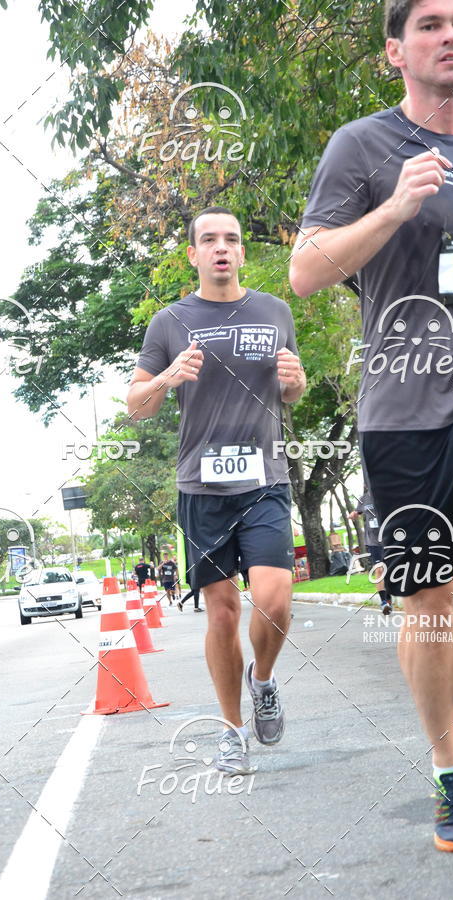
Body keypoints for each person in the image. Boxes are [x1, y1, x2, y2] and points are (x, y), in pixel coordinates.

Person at [290, 0, 453, 852]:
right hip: (404, 412)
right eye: (429, 24)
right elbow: (306, 273)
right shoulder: (363, 147)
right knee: (434, 604)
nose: (450, 34)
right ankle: (450, 762)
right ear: (395, 51)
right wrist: (391, 210)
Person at [128, 206, 306, 774]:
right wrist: (166, 376)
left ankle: (263, 678)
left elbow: (291, 395)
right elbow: (135, 406)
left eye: (231, 239)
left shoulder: (275, 311)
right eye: (209, 240)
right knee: (223, 613)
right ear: (193, 254)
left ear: (242, 253)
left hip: (265, 479)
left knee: (275, 601)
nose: (222, 248)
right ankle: (231, 731)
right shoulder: (169, 321)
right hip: (202, 485)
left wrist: (297, 384)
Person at [349, 487, 392, 614]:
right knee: (379, 569)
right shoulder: (364, 499)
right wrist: (353, 514)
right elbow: (358, 512)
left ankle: (389, 596)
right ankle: (384, 602)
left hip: (389, 538)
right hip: (373, 541)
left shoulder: (386, 493)